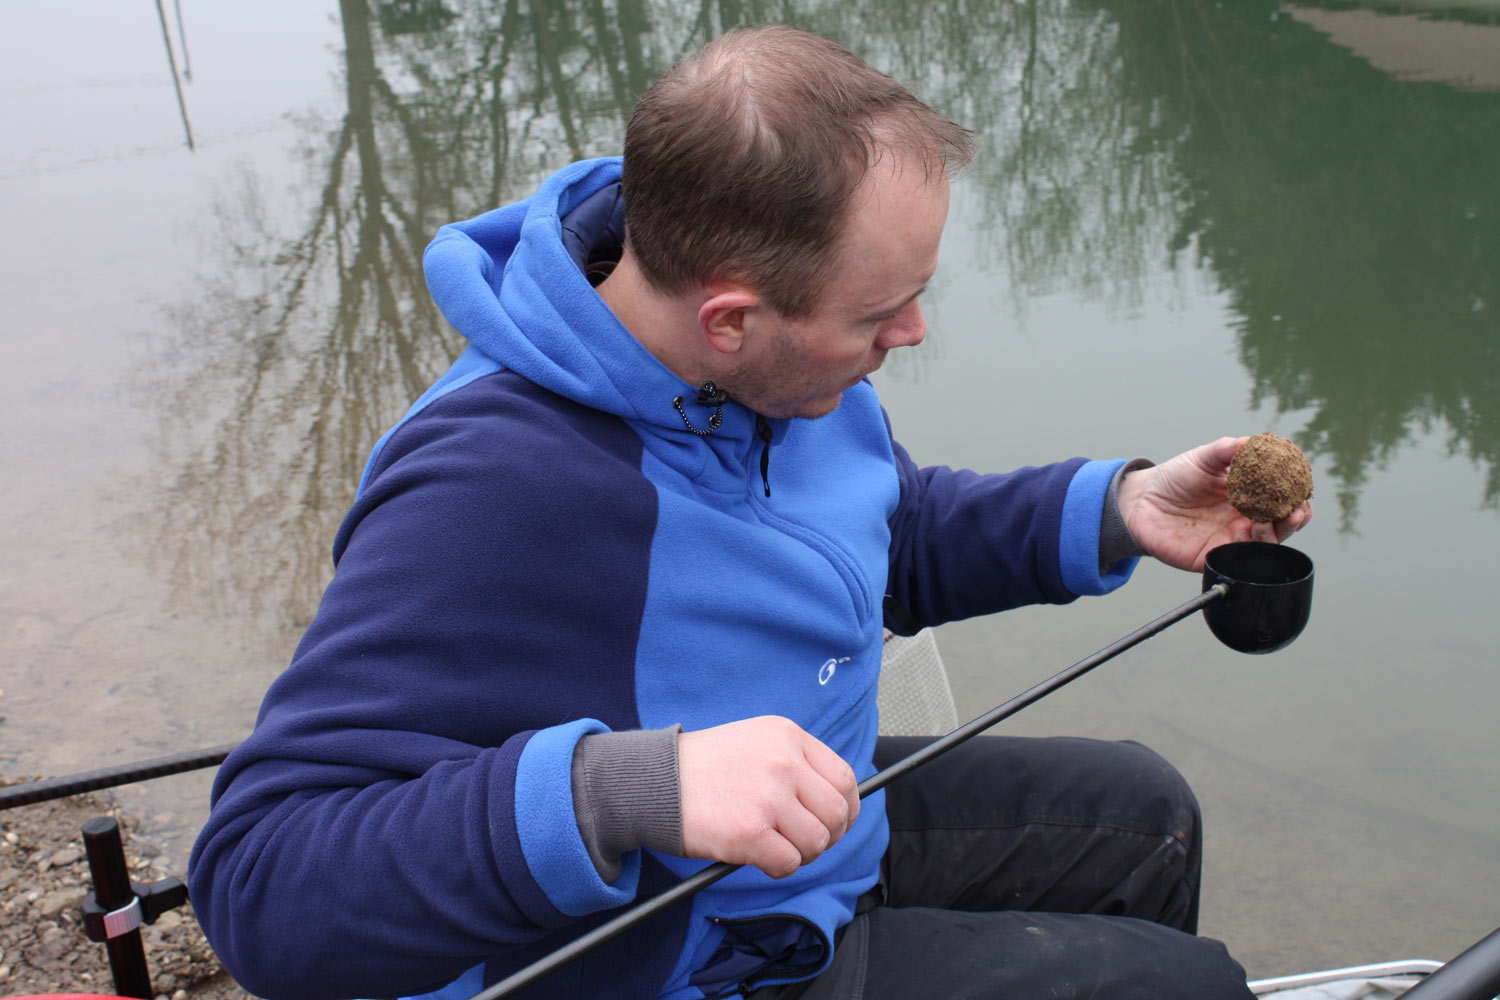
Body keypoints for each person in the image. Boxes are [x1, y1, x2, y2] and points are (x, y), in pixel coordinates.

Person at [189, 24, 1311, 1000]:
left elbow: (874, 531)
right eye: (883, 310)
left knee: (1144, 815)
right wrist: (627, 790)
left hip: (820, 846)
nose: (910, 335)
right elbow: (259, 882)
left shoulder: (771, 373)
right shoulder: (493, 492)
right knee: (1188, 990)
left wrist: (1119, 509)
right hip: (690, 959)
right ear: (731, 318)